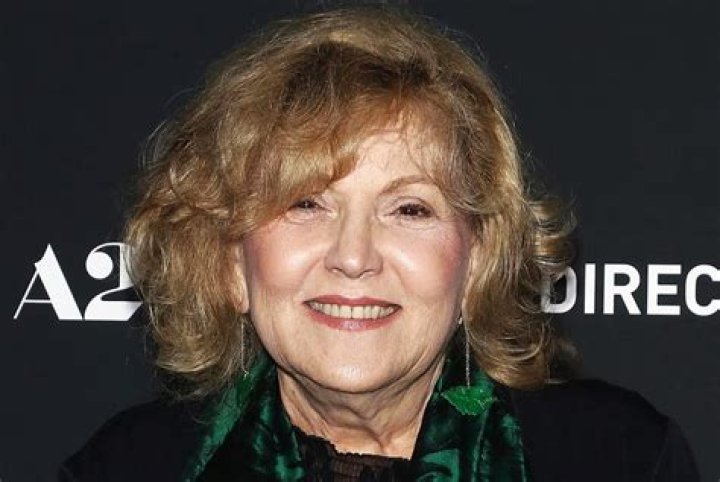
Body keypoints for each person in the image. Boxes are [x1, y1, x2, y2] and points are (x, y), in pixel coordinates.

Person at [60, 6, 699, 481]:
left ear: (477, 260)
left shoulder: (620, 458)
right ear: (230, 261)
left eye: (409, 208)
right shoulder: (131, 467)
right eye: (305, 203)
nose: (354, 256)